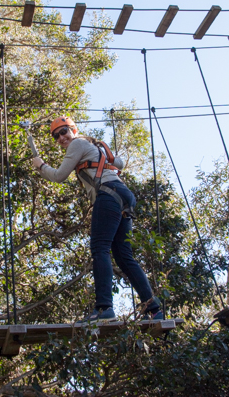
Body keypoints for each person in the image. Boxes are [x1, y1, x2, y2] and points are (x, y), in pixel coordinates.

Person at [32, 116, 162, 322]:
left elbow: (58, 176)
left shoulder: (77, 144)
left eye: (63, 131)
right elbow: (118, 163)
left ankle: (104, 309)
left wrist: (40, 165)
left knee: (100, 249)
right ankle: (154, 310)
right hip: (123, 196)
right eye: (56, 136)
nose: (61, 138)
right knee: (124, 257)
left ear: (73, 130)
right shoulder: (95, 147)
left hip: (108, 194)